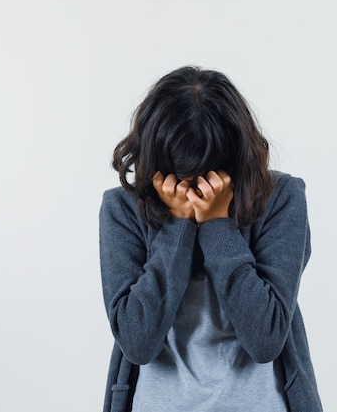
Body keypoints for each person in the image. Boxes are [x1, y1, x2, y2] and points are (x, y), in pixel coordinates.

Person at [98, 66, 322, 412]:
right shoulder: (123, 209)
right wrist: (177, 224)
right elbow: (137, 342)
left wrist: (218, 225)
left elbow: (266, 340)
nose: (195, 185)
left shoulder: (281, 198)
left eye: (210, 172)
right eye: (180, 173)